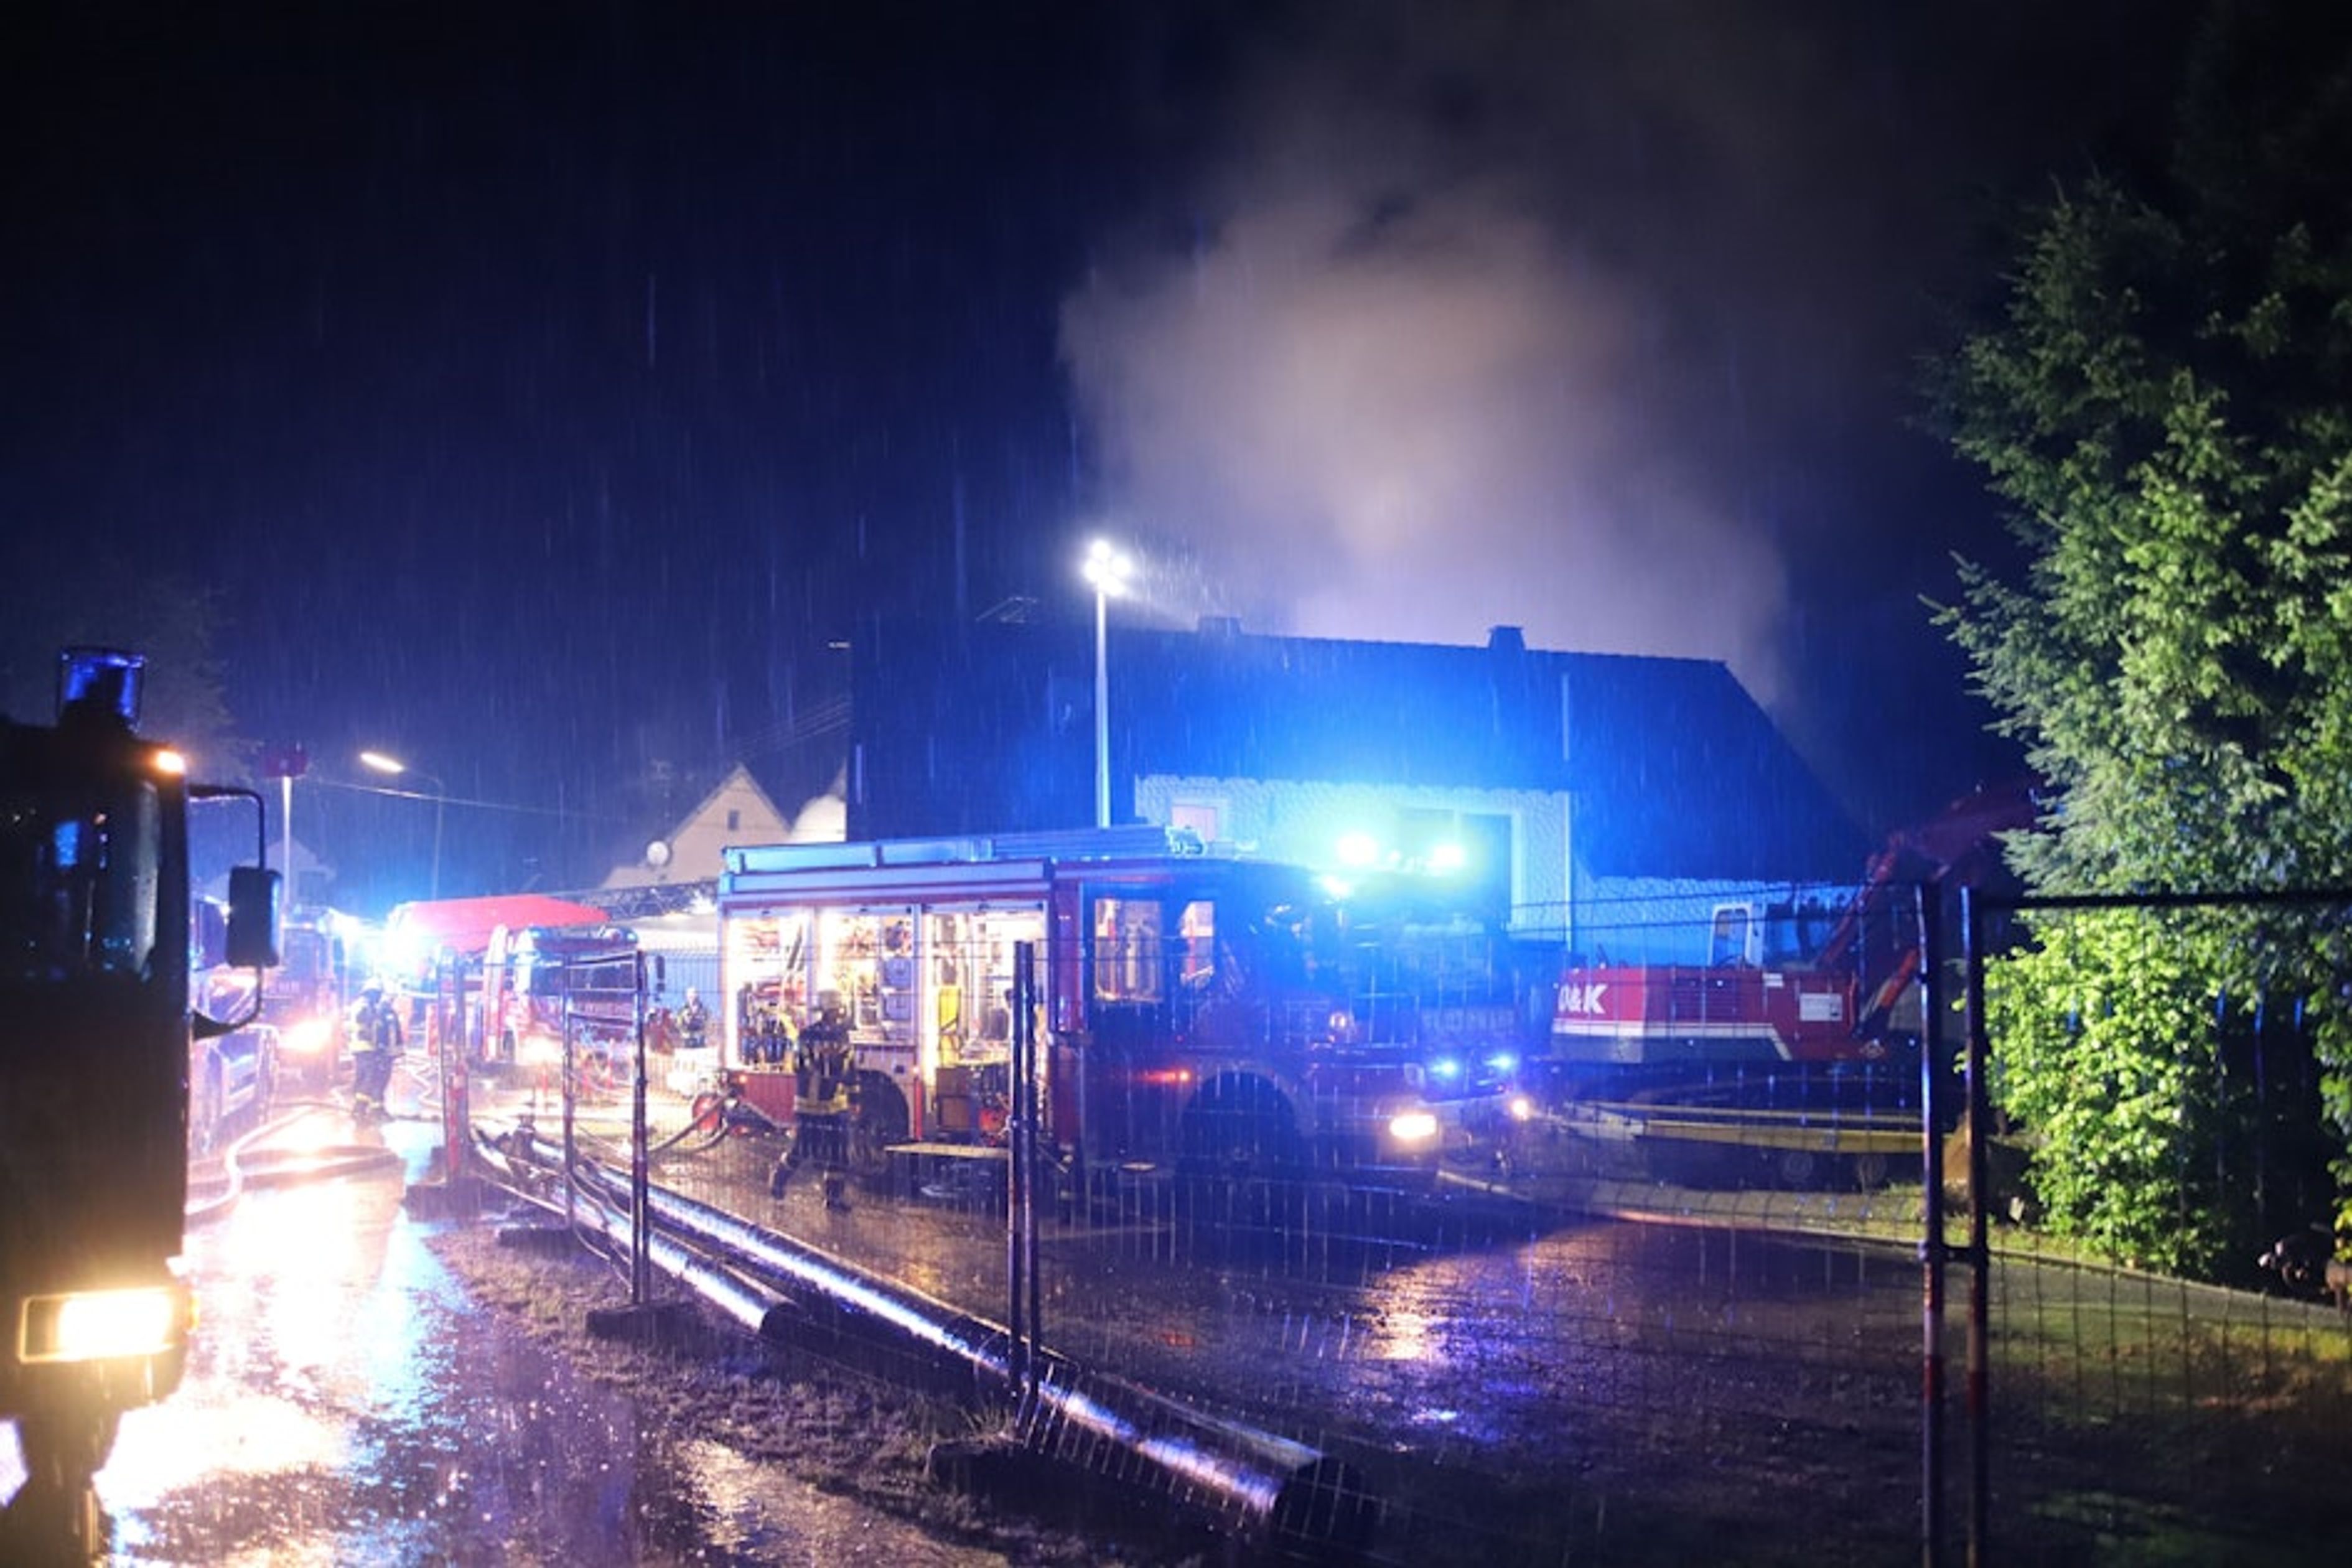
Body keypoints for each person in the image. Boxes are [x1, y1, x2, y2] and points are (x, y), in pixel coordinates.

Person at [769, 992, 855, 1209]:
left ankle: (834, 1199)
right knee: (803, 1149)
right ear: (828, 1011)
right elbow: (799, 1066)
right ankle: (778, 1182)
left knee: (839, 1153)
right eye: (836, 1009)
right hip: (811, 1105)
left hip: (837, 1106)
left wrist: (854, 1096)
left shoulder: (843, 1036)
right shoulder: (807, 1036)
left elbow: (850, 1068)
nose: (839, 1014)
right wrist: (823, 1069)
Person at [350, 981, 404, 1118]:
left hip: (368, 1049)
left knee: (375, 1079)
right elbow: (365, 1022)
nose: (379, 998)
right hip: (366, 1049)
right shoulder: (364, 1006)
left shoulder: (371, 1006)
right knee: (369, 1078)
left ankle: (375, 1109)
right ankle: (359, 1108)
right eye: (377, 995)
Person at [676, 987, 710, 1054]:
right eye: (690, 996)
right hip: (687, 1037)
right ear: (687, 997)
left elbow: (708, 1022)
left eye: (694, 995)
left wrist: (705, 1033)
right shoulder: (682, 1010)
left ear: (697, 996)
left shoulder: (703, 1009)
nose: (692, 997)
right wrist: (683, 1033)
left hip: (700, 1037)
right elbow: (679, 1023)